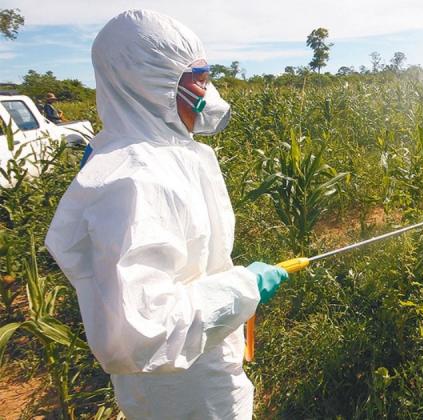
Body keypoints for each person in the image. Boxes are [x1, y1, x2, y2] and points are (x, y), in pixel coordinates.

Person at [45, 9, 288, 419]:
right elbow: (141, 331)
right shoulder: (134, 179)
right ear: (154, 83)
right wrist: (243, 287)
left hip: (200, 369)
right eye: (199, 77)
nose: (208, 91)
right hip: (183, 396)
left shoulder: (166, 154)